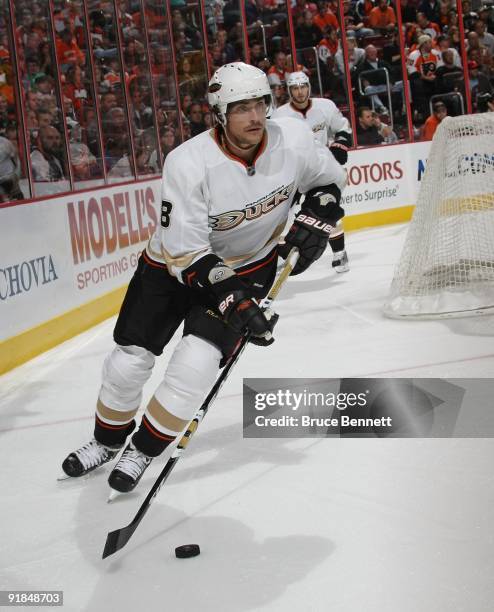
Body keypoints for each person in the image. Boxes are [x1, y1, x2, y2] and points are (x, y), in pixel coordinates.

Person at [61, 62, 347, 493]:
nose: (254, 117)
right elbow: (186, 252)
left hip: (251, 266)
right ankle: (106, 440)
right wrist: (233, 299)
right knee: (127, 363)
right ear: (218, 113)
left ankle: (144, 448)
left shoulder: (293, 140)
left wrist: (322, 209)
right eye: (241, 108)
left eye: (260, 104)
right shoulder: (188, 163)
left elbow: (328, 180)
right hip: (170, 270)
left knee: (195, 364)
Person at [272, 71, 352, 273]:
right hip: (294, 171)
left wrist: (340, 145)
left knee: (327, 209)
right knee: (280, 214)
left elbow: (342, 128)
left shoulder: (325, 106)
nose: (300, 93)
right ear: (289, 91)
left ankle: (340, 254)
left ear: (309, 86)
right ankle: (283, 254)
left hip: (321, 168)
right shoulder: (279, 115)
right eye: (295, 89)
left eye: (303, 87)